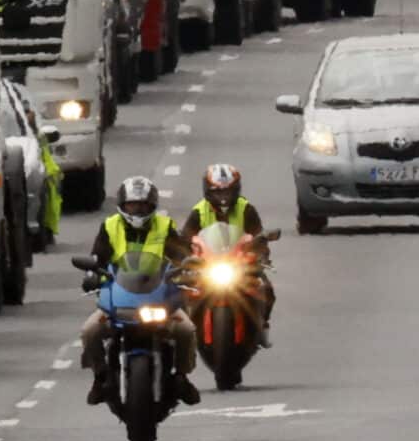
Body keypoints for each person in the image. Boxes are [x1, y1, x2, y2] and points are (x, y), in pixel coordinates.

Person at [80, 175, 202, 407]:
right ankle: (100, 377)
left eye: (142, 204)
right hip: (121, 297)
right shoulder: (109, 226)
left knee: (186, 329)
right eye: (132, 204)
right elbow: (97, 258)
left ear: (152, 206)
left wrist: (190, 268)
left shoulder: (165, 227)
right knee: (90, 330)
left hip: (158, 295)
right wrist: (92, 275)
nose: (137, 209)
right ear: (123, 205)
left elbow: (182, 254)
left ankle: (181, 377)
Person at [181, 163, 275, 346]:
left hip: (239, 263)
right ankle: (189, 329)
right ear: (208, 191)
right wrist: (186, 259)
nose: (223, 197)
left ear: (236, 190)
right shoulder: (199, 211)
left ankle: (262, 325)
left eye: (227, 192)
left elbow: (259, 236)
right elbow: (186, 238)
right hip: (208, 264)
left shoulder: (246, 208)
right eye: (218, 192)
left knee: (267, 289)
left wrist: (261, 255)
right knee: (183, 292)